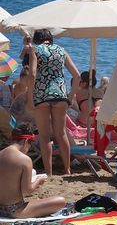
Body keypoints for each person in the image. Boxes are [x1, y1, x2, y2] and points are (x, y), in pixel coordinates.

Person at [25, 30, 81, 177]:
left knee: (44, 136)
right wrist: (70, 95)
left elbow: (32, 74)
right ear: (50, 39)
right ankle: (67, 170)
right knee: (61, 133)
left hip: (41, 96)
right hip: (60, 95)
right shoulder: (62, 50)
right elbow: (77, 75)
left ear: (37, 40)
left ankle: (49, 172)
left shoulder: (35, 50)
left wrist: (30, 97)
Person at [0, 126, 66, 219]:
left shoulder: (1, 153)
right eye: (30, 144)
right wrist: (38, 181)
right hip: (14, 210)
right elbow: (27, 191)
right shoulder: (24, 159)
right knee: (60, 201)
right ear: (26, 141)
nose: (29, 148)